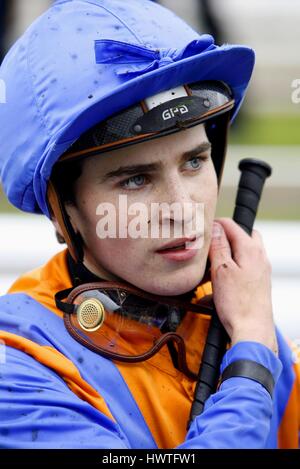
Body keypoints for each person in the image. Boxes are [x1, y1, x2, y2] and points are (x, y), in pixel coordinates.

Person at [0, 0, 299, 449]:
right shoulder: (18, 369)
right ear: (65, 208)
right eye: (136, 179)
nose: (182, 207)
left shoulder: (234, 310)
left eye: (195, 161)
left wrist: (252, 337)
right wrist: (252, 358)